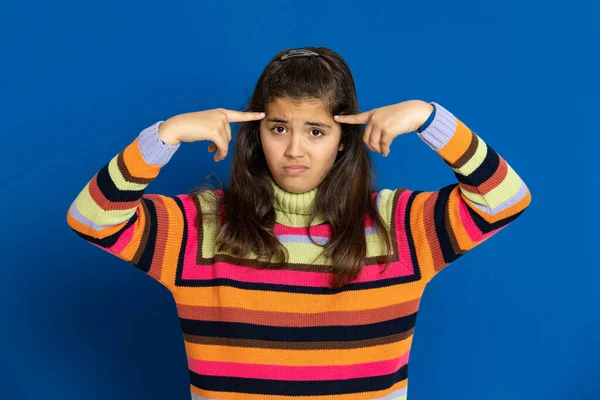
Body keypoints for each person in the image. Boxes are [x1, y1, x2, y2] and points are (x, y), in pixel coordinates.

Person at [66, 46, 531, 400]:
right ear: (257, 133)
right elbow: (91, 218)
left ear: (343, 141)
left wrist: (432, 118)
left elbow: (505, 199)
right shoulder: (199, 228)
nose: (294, 150)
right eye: (279, 127)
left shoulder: (400, 228)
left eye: (316, 131)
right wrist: (162, 136)